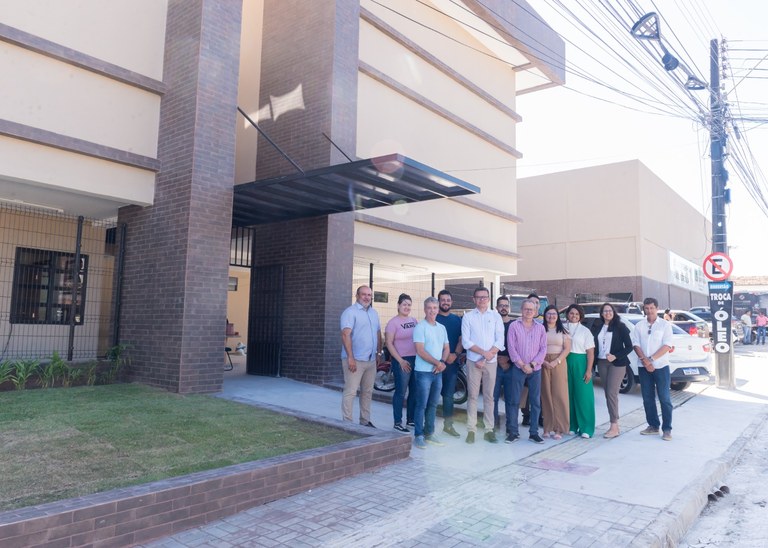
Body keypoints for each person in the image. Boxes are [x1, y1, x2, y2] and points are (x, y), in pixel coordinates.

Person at [461, 286, 505, 444]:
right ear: (474, 299)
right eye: (479, 297)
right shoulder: (468, 317)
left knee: (489, 397)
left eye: (484, 297)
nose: (482, 299)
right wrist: (483, 353)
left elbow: (500, 340)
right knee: (472, 396)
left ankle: (489, 430)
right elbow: (466, 342)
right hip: (473, 361)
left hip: (491, 362)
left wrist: (486, 357)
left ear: (489, 299)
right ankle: (471, 430)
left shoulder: (495, 316)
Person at [632, 297, 674, 441]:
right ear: (644, 309)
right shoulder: (639, 326)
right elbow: (636, 345)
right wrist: (645, 361)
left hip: (661, 366)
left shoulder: (664, 325)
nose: (649, 311)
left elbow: (667, 345)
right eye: (647, 308)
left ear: (657, 308)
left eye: (652, 308)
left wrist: (651, 360)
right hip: (643, 367)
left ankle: (667, 429)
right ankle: (653, 426)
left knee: (664, 398)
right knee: (647, 398)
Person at [506, 298, 547, 443]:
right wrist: (522, 364)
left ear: (535, 312)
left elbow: (543, 348)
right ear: (521, 310)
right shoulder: (514, 326)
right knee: (514, 401)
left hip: (535, 369)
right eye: (526, 309)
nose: (529, 311)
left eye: (532, 309)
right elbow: (511, 347)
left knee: (535, 401)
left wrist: (533, 364)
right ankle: (513, 432)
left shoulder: (540, 328)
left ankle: (533, 433)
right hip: (518, 368)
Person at [590, 303, 633, 439]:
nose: (607, 313)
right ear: (601, 313)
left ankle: (614, 426)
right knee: (608, 395)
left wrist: (616, 356)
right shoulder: (597, 327)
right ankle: (614, 425)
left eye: (610, 310)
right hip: (602, 363)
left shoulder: (621, 327)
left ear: (613, 312)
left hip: (617, 363)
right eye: (605, 311)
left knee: (611, 393)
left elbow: (629, 347)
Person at [340, 286, 382, 427]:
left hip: (371, 360)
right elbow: (345, 335)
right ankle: (347, 423)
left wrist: (379, 353)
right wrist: (350, 358)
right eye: (363, 294)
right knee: (351, 392)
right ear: (357, 295)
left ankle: (364, 422)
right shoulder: (350, 312)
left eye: (369, 295)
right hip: (355, 360)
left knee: (367, 392)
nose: (367, 297)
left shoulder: (374, 313)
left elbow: (378, 333)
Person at [412, 297, 450, 449]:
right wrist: (438, 363)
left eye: (435, 308)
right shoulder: (420, 327)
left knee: (433, 404)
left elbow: (446, 348)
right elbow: (420, 350)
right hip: (423, 372)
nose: (432, 311)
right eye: (429, 308)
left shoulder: (442, 328)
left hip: (437, 372)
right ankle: (418, 435)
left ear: (438, 309)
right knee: (421, 404)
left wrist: (442, 363)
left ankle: (429, 433)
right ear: (424, 310)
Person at [385, 294, 418, 433]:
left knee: (414, 392)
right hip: (401, 361)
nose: (407, 307)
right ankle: (397, 422)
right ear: (398, 305)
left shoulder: (414, 320)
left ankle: (410, 420)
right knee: (400, 392)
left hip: (416, 360)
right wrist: (400, 360)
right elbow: (389, 343)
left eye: (409, 305)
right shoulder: (393, 323)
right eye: (404, 304)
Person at [564, 304, 596, 439]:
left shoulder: (585, 331)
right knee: (568, 395)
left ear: (580, 316)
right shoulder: (562, 328)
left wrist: (588, 370)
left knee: (583, 396)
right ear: (567, 314)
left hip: (580, 362)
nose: (574, 316)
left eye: (577, 314)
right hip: (565, 362)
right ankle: (572, 425)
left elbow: (590, 353)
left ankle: (587, 427)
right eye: (572, 313)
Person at [436, 289, 464, 437]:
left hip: (452, 363)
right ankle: (428, 427)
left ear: (451, 302)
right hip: (435, 363)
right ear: (438, 302)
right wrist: (441, 358)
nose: (445, 302)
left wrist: (455, 354)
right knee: (431, 396)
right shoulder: (433, 318)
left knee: (448, 396)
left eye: (448, 300)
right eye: (443, 300)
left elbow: (461, 339)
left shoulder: (457, 320)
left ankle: (448, 426)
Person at [541, 305, 571, 440]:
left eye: (554, 314)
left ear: (558, 316)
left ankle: (559, 428)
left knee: (559, 394)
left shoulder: (563, 331)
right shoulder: (540, 329)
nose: (551, 316)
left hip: (559, 362)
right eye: (549, 313)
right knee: (546, 394)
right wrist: (543, 361)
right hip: (543, 362)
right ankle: (547, 427)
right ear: (545, 315)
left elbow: (567, 349)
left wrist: (556, 361)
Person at [493, 296, 514, 432]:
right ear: (496, 308)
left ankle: (510, 428)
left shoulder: (514, 325)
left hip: (511, 366)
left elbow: (518, 345)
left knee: (510, 399)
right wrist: (497, 358)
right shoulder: (492, 324)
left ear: (509, 308)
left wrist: (508, 360)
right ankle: (493, 427)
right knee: (492, 398)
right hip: (493, 365)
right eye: (501, 305)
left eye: (506, 305)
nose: (504, 308)